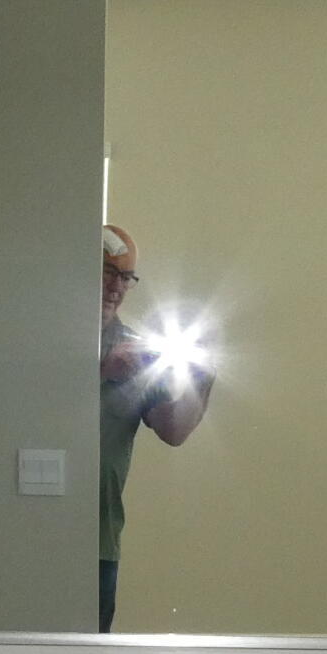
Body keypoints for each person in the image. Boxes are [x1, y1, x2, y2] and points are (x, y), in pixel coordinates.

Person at [97, 223, 214, 631]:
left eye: (125, 278)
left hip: (100, 539)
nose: (116, 286)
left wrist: (203, 378)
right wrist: (99, 371)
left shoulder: (136, 349)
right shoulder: (41, 339)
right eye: (107, 272)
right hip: (36, 526)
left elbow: (173, 430)